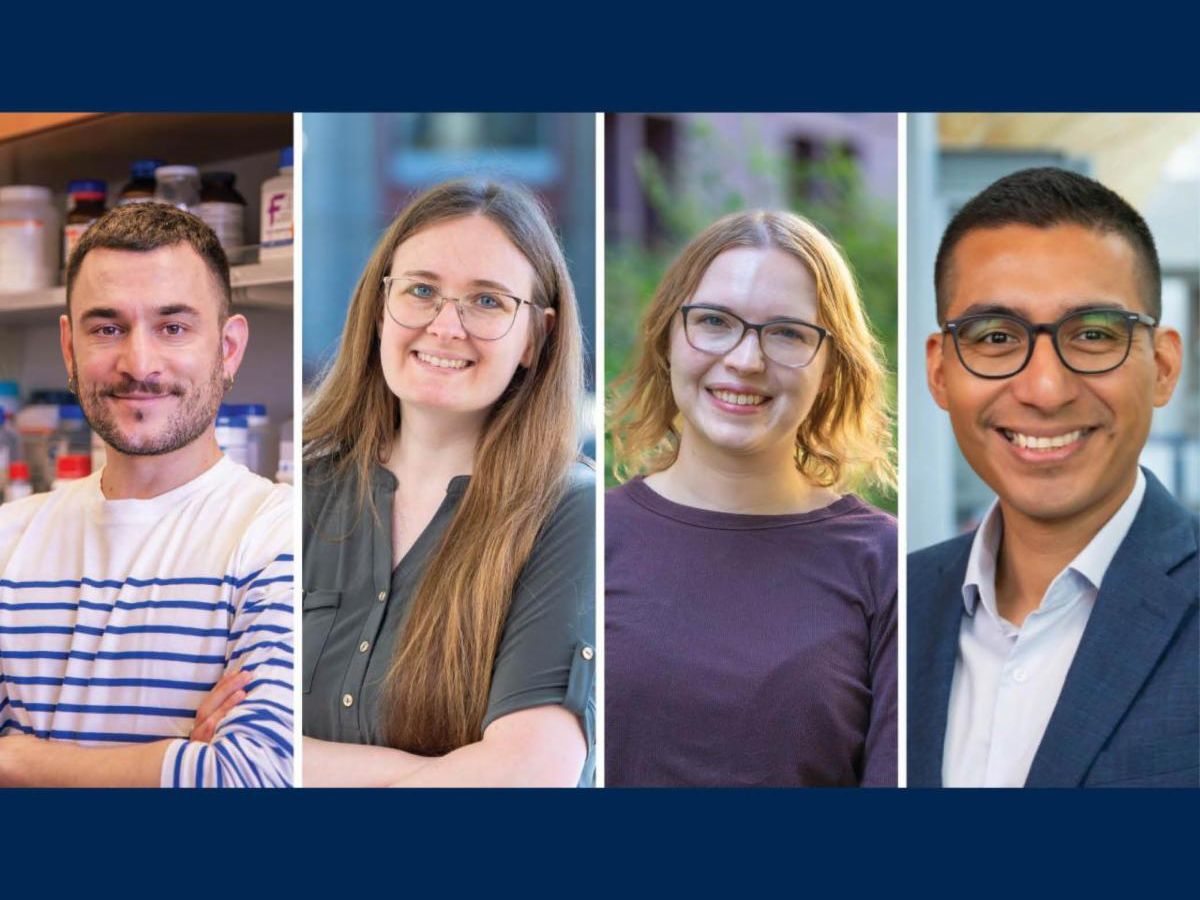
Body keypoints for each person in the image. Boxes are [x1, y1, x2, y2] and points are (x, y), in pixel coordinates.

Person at [909, 167, 1196, 788]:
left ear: (1165, 366)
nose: (1044, 390)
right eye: (995, 336)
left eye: (1093, 335)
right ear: (939, 372)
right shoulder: (889, 606)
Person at [302, 179, 594, 787]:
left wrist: (291, 763)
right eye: (421, 290)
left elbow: (527, 778)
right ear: (382, 307)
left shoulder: (570, 513)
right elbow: (220, 735)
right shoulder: (303, 493)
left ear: (535, 339)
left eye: (486, 302)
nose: (445, 325)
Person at [0, 204, 293, 787]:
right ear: (69, 347)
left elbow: (255, 778)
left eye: (173, 327)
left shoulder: (280, 537)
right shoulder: (9, 538)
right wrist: (180, 757)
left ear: (228, 348)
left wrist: (16, 759)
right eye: (107, 328)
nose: (139, 364)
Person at [606, 210, 898, 786]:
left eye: (788, 333)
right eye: (715, 321)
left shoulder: (885, 567)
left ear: (831, 366)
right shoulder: (585, 536)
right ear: (668, 338)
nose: (746, 360)